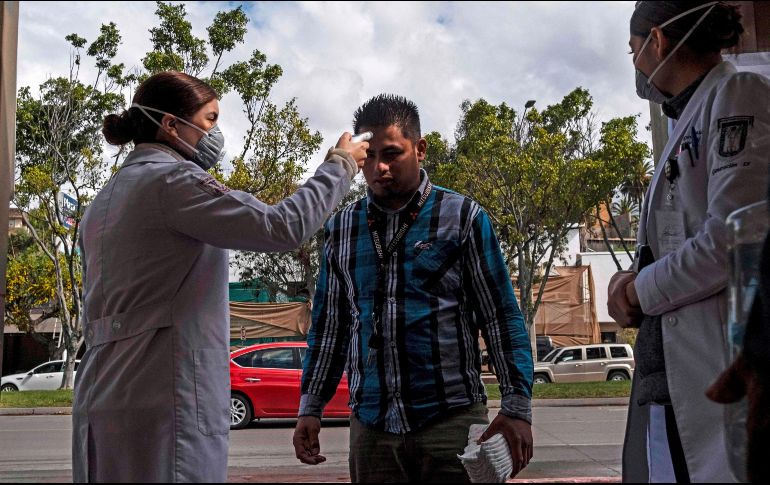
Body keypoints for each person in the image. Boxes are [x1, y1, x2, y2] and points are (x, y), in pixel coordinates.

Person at [71, 71, 368, 482]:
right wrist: (340, 166)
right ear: (171, 124)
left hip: (104, 395)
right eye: (209, 119)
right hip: (164, 397)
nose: (215, 133)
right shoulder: (174, 181)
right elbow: (281, 227)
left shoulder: (103, 201)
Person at [292, 94, 534, 483]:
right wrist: (311, 406)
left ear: (420, 149)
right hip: (371, 427)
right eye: (368, 157)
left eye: (392, 154)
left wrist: (517, 407)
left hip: (450, 421)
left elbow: (501, 316)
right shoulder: (341, 229)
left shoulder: (463, 218)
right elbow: (330, 326)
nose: (379, 168)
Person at [607, 1, 770, 482]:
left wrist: (640, 290)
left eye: (633, 48)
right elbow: (674, 239)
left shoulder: (738, 93)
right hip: (673, 383)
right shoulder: (689, 118)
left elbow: (732, 237)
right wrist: (628, 279)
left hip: (713, 368)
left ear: (656, 41)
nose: (635, 62)